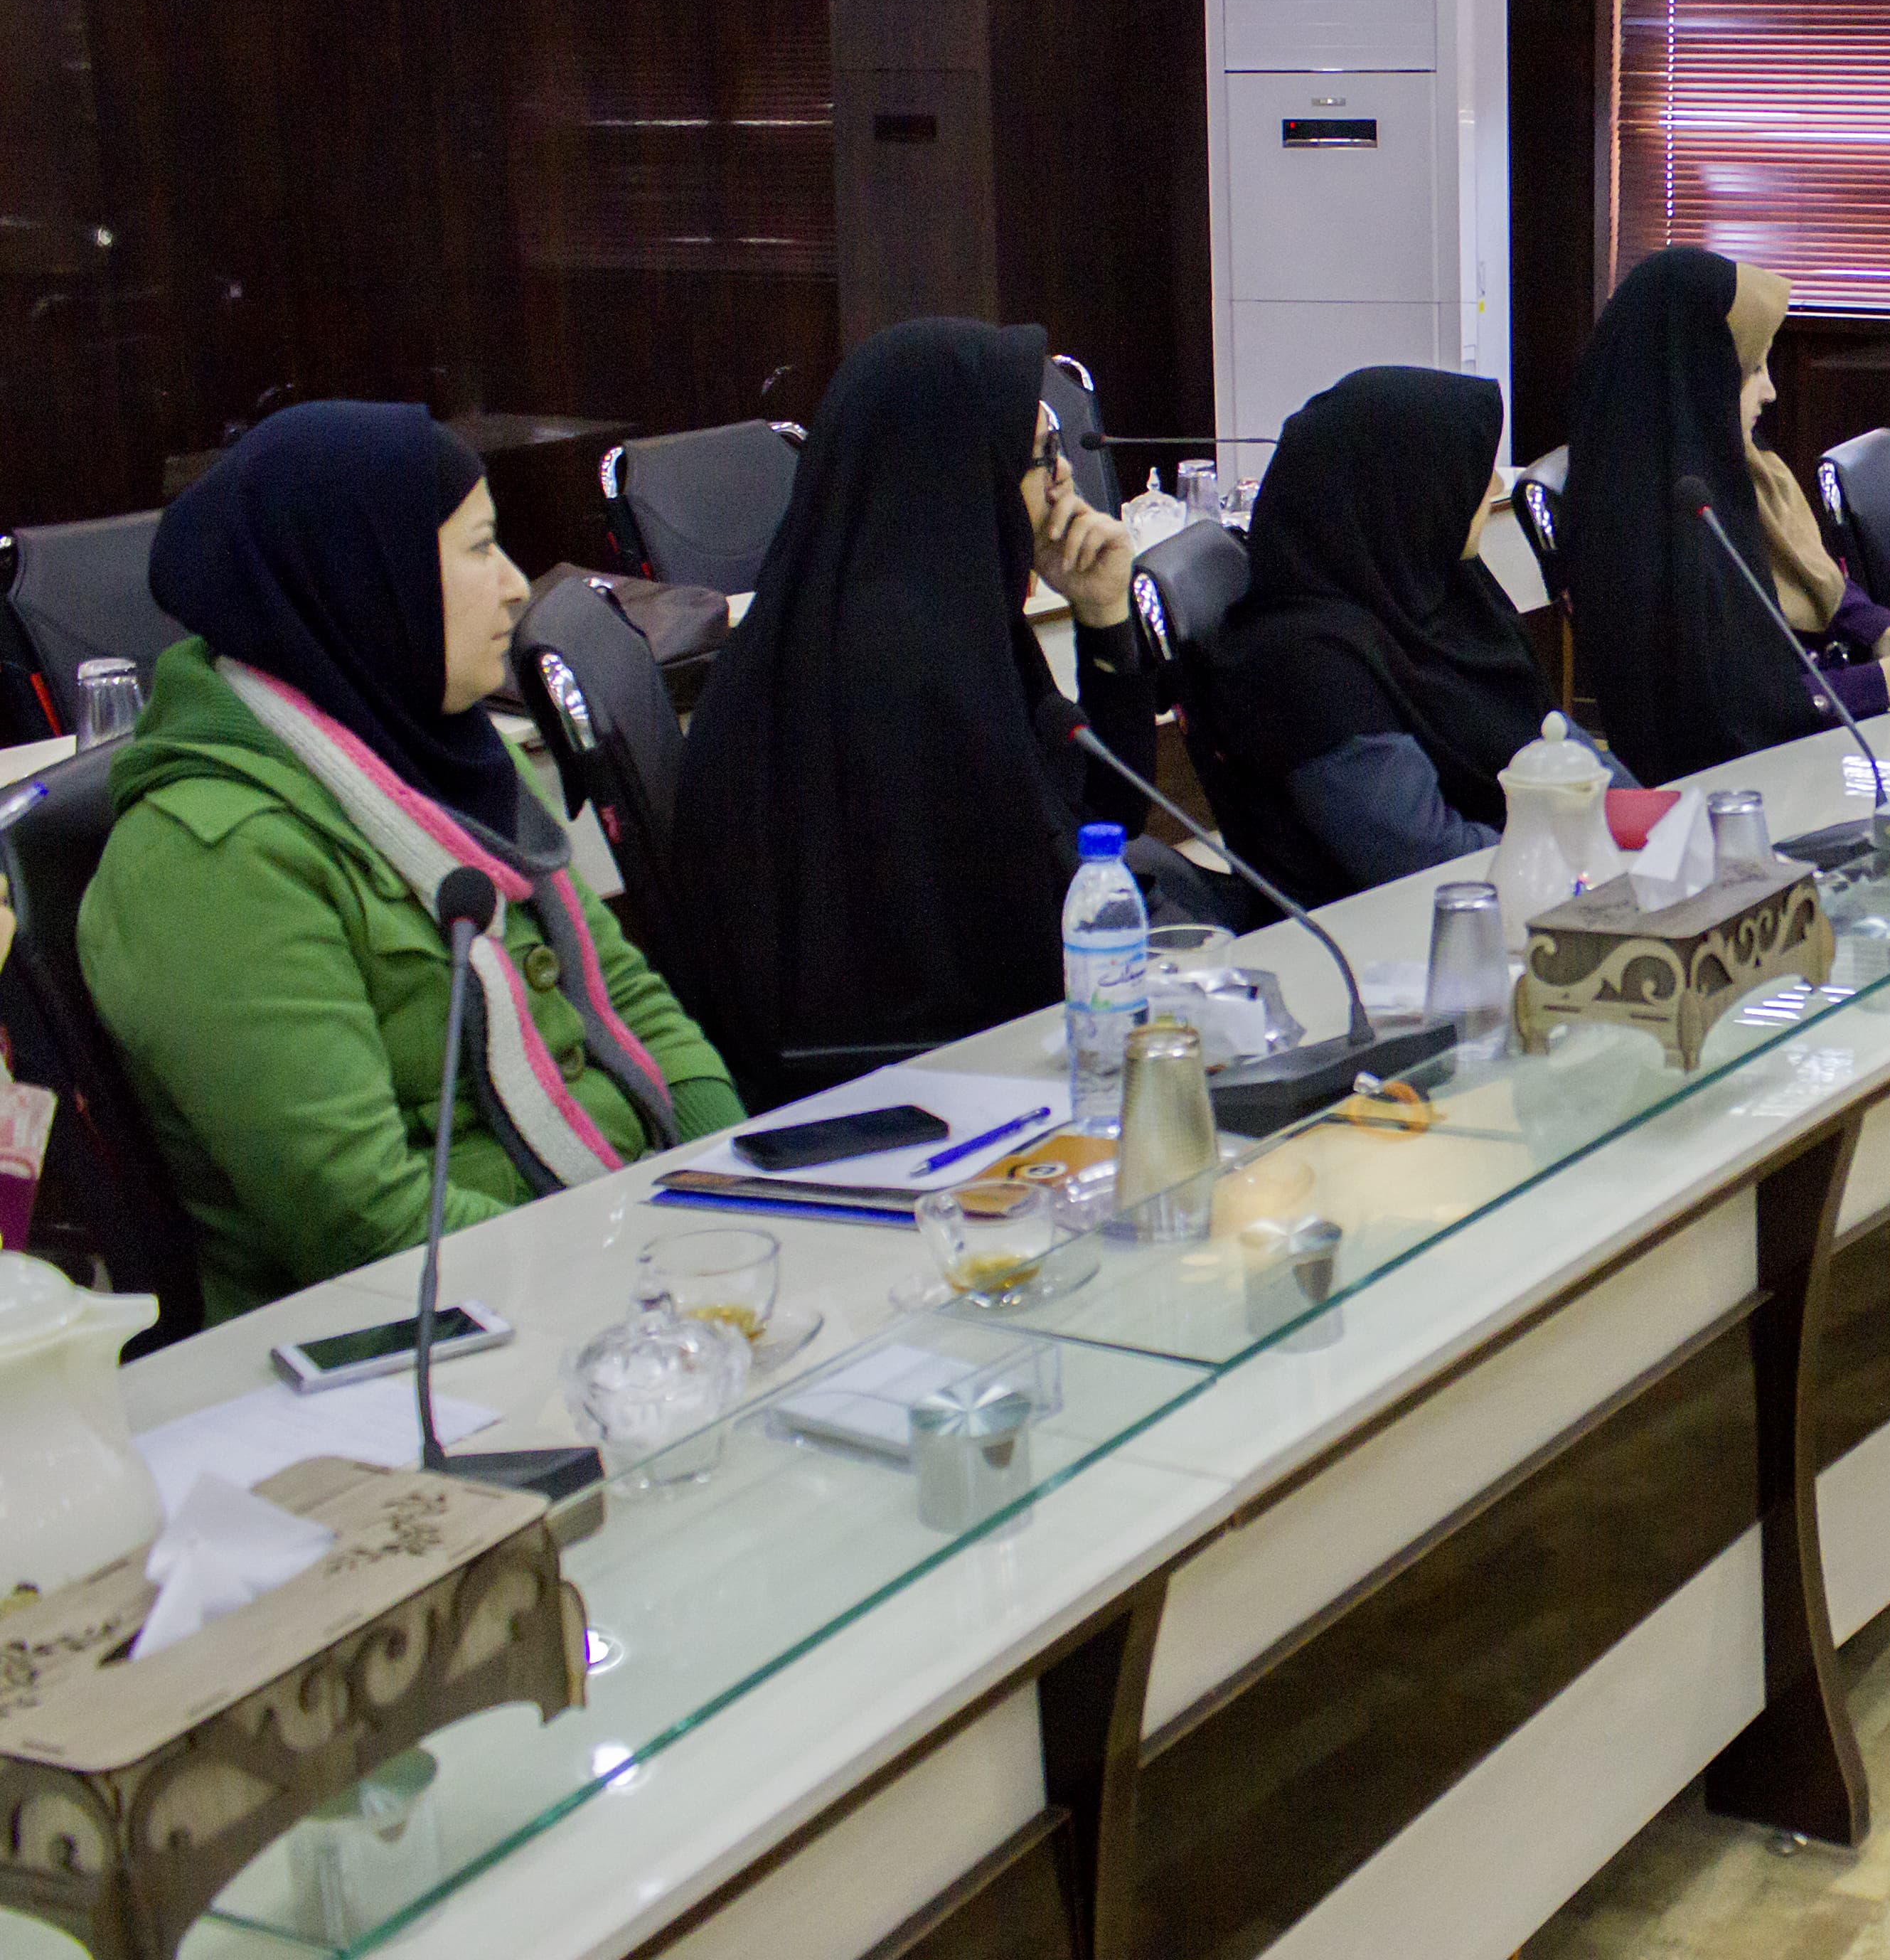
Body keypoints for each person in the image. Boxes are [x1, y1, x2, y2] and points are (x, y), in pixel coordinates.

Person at [75, 404, 740, 1318]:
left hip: (612, 1253)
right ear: (366, 581)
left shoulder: (449, 750)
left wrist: (730, 1191)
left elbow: (631, 1000)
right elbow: (366, 1222)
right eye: (480, 550)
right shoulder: (210, 859)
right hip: (423, 1336)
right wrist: (633, 1273)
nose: (516, 587)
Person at [666, 317, 1173, 1100]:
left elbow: (1110, 819)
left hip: (955, 1061)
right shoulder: (903, 673)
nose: (1066, 479)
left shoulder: (936, 614)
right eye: (1043, 456)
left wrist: (1104, 615)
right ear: (960, 474)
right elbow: (1036, 938)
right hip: (904, 1097)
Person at [1563, 247, 1890, 786]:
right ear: (1698, 374)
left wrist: (1881, 632)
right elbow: (1734, 720)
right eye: (1753, 368)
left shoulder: (1731, 471)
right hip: (1726, 797)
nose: (1771, 391)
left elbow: (1808, 578)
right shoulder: (1647, 526)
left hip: (1804, 761)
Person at [1192, 368, 1561, 909]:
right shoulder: (1302, 662)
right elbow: (1426, 859)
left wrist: (1635, 818)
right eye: (1471, 470)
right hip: (1403, 934)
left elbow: (1559, 742)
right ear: (1403, 490)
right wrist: (1578, 852)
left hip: (1525, 888)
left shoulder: (1439, 585)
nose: (1494, 488)